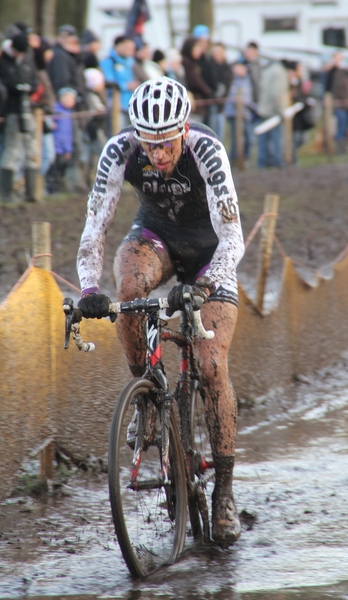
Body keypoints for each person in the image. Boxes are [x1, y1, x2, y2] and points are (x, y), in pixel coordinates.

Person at [75, 76, 245, 545]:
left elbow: (234, 236)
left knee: (211, 365)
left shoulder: (208, 151)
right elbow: (95, 227)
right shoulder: (119, 151)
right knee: (128, 290)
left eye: (167, 143)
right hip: (157, 240)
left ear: (184, 129)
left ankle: (224, 491)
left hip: (212, 255)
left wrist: (209, 282)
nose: (159, 155)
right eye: (149, 144)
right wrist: (90, 288)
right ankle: (147, 392)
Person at [0, 30, 39, 202]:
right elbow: (8, 83)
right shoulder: (4, 61)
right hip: (12, 109)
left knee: (32, 150)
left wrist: (27, 87)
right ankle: (6, 193)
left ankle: (32, 193)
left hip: (28, 109)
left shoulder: (27, 58)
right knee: (12, 150)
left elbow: (34, 79)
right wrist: (20, 86)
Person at [45, 87, 77, 194]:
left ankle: (58, 187)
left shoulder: (69, 114)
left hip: (64, 147)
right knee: (54, 168)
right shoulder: (56, 111)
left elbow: (68, 135)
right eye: (67, 99)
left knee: (61, 169)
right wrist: (51, 124)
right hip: (56, 146)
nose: (70, 101)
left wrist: (68, 150)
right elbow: (47, 118)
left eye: (72, 99)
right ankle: (51, 189)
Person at [225, 61, 257, 162]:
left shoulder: (248, 80)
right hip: (236, 114)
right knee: (237, 139)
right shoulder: (234, 80)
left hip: (246, 114)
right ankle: (234, 161)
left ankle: (244, 159)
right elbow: (235, 98)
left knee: (248, 139)